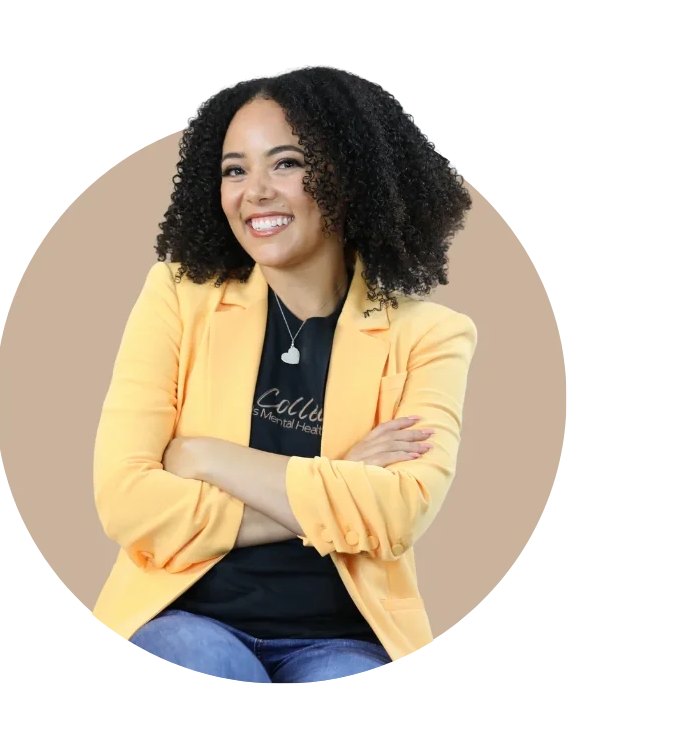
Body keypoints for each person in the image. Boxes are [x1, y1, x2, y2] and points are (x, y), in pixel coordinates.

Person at [91, 65, 478, 684]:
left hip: (344, 639)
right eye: (235, 170)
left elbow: (397, 513)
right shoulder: (177, 297)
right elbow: (127, 502)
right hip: (186, 616)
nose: (255, 191)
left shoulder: (431, 335)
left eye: (287, 163)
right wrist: (341, 477)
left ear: (350, 177)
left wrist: (205, 456)